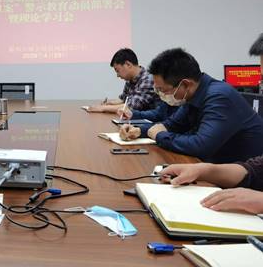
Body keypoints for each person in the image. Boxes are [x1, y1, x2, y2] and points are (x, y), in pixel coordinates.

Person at [159, 33, 263, 214]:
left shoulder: (219, 95)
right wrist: (203, 170)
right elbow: (256, 170)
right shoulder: (197, 95)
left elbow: (201, 145)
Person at [120, 48, 263, 163]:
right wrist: (139, 130)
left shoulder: (219, 97)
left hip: (245, 177)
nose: (161, 95)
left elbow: (201, 146)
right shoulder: (192, 95)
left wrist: (159, 135)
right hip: (216, 166)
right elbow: (172, 125)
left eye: (163, 90)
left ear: (185, 84)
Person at [87, 48, 158, 115]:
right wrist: (109, 103)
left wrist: (102, 108)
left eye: (117, 70)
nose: (117, 75)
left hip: (149, 121)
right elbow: (123, 99)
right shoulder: (130, 79)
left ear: (128, 64)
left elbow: (131, 106)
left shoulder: (147, 79)